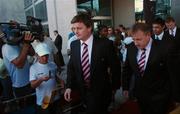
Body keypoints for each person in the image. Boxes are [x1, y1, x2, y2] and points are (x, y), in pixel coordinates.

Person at [64, 12, 121, 114]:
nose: (75, 32)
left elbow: (115, 67)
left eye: (79, 28)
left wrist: (114, 87)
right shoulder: (74, 45)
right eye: (74, 28)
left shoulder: (105, 44)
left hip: (101, 92)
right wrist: (69, 86)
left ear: (89, 27)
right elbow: (71, 68)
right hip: (82, 92)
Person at [122, 23, 172, 114]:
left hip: (160, 96)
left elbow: (173, 73)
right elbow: (127, 69)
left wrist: (174, 96)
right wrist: (125, 87)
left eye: (139, 39)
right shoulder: (131, 48)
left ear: (148, 35)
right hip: (141, 95)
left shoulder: (164, 48)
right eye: (133, 39)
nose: (136, 43)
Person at [1, 23, 35, 98]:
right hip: (19, 85)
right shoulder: (7, 47)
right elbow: (20, 65)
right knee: (25, 107)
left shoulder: (19, 43)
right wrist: (26, 45)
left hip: (29, 80)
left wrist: (28, 42)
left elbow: (32, 53)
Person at [30, 43, 61, 114]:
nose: (45, 58)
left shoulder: (52, 64)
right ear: (37, 55)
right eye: (42, 56)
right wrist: (41, 79)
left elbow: (55, 76)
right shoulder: (33, 68)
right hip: (43, 101)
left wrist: (60, 81)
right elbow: (32, 85)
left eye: (46, 55)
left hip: (55, 98)